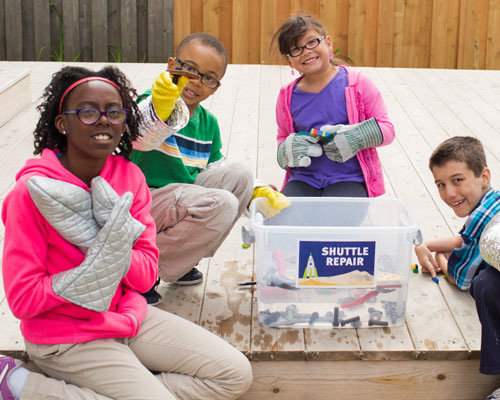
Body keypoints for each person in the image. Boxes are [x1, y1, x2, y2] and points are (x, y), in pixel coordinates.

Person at [0, 65, 252, 400]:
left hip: (126, 317)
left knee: (235, 374)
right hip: (64, 336)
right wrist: (94, 265)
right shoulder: (30, 194)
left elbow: (147, 277)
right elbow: (22, 299)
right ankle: (20, 385)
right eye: (87, 112)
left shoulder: (130, 179)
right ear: (63, 124)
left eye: (115, 112)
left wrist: (108, 238)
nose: (104, 120)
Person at [131, 32, 285, 304]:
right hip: (141, 206)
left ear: (216, 87)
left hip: (180, 201)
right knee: (222, 204)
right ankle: (142, 271)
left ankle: (180, 259)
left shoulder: (208, 123)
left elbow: (218, 169)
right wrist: (162, 107)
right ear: (171, 65)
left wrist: (256, 192)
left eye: (208, 77)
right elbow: (141, 138)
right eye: (189, 69)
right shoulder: (151, 102)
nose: (195, 81)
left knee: (241, 176)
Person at [414, 136, 500, 399]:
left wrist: (440, 258)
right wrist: (425, 245)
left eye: (457, 180)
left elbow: (460, 276)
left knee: (483, 282)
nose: (449, 193)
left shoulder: (487, 215)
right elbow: (463, 239)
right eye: (441, 184)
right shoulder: (491, 202)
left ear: (483, 176)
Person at [271, 15, 395, 197]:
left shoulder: (358, 83)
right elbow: (283, 136)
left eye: (311, 42)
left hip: (350, 179)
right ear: (289, 61)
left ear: (328, 43)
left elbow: (388, 130)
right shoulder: (286, 95)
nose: (306, 51)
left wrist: (357, 136)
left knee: (334, 222)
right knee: (283, 220)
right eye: (296, 49)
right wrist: (287, 149)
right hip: (303, 178)